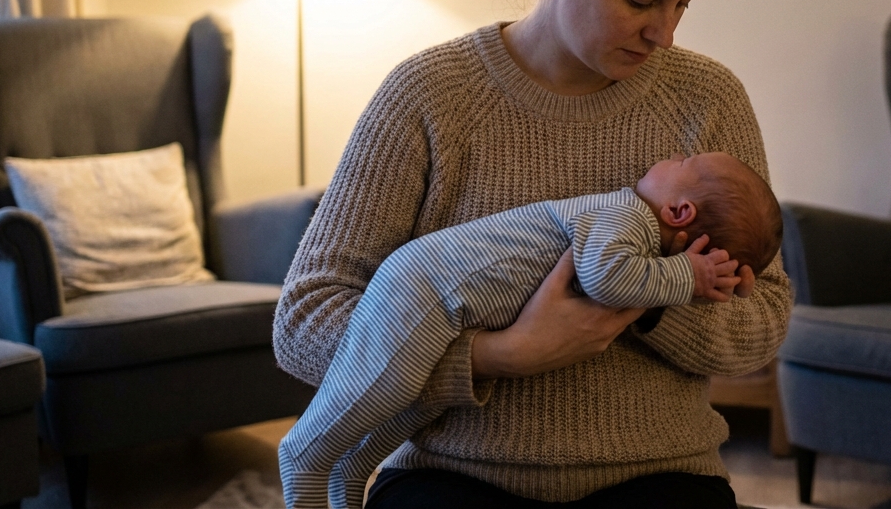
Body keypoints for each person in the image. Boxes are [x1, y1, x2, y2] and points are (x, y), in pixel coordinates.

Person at [273, 0, 793, 509]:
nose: (664, 36)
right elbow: (307, 319)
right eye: (642, 0)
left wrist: (639, 303)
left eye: (684, 4)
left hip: (661, 475)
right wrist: (497, 357)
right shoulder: (430, 95)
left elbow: (761, 324)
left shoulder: (707, 99)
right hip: (456, 476)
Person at [279, 152, 783, 509]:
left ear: (680, 211)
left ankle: (348, 471)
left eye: (683, 163)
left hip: (442, 297)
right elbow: (603, 276)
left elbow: (613, 276)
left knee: (408, 407)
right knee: (371, 396)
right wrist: (685, 276)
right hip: (427, 289)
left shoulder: (636, 222)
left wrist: (692, 285)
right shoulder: (621, 214)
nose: (671, 156)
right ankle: (304, 455)